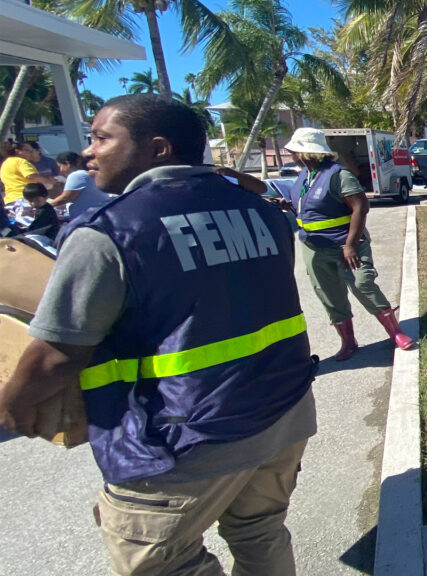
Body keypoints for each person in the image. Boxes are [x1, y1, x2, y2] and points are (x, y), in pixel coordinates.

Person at [0, 94, 318, 575]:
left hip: (184, 436)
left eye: (102, 138)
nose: (89, 152)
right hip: (283, 410)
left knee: (155, 563)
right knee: (260, 531)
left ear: (159, 149)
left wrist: (13, 405)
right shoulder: (263, 214)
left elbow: (58, 352)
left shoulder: (109, 231)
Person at [281, 127, 414, 360]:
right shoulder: (304, 176)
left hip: (345, 245)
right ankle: (348, 341)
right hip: (314, 248)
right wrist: (287, 205)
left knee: (363, 284)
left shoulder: (337, 174)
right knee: (329, 294)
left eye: (294, 151)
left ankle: (395, 333)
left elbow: (360, 206)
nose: (291, 154)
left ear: (306, 152)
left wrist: (350, 245)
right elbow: (310, 210)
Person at [49, 151, 111, 219]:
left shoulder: (77, 175)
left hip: (89, 219)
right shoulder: (85, 174)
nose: (60, 170)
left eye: (60, 166)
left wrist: (46, 205)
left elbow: (66, 197)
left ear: (67, 164)